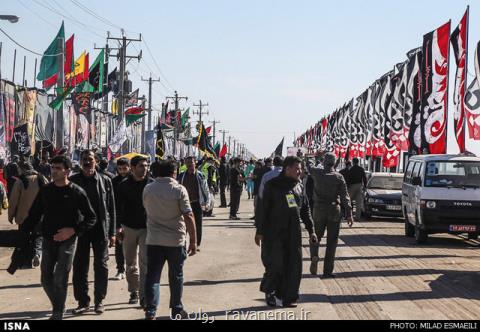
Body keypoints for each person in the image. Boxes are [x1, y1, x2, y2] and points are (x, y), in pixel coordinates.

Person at [21, 155, 97, 320]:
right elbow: (34, 214)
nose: (54, 171)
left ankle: (58, 311)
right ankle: (58, 304)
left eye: (58, 168)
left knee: (60, 276)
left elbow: (91, 217)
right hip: (49, 239)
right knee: (45, 278)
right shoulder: (46, 191)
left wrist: (73, 230)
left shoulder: (77, 192)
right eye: (52, 168)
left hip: (68, 241)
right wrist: (23, 232)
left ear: (67, 171)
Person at [255, 156, 317, 307]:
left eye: (300, 168)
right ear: (287, 168)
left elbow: (305, 210)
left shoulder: (299, 186)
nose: (300, 171)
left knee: (294, 265)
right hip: (274, 232)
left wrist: (311, 230)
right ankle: (270, 291)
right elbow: (263, 209)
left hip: (294, 232)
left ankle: (290, 297)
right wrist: (259, 231)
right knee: (275, 264)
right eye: (297, 168)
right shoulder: (272, 185)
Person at [143, 160, 197, 320]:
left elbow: (146, 208)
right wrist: (193, 240)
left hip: (154, 240)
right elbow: (188, 215)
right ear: (174, 172)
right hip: (175, 241)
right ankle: (177, 309)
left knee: (152, 276)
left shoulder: (148, 189)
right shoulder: (179, 190)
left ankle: (151, 310)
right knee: (176, 276)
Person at [70, 149, 116, 315]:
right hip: (81, 230)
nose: (87, 162)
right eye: (84, 159)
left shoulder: (105, 181)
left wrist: (112, 232)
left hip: (100, 229)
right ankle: (83, 302)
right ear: (80, 162)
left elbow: (111, 208)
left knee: (101, 266)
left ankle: (99, 301)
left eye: (90, 159)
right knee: (80, 267)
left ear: (96, 161)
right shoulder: (73, 180)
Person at [309, 153, 353, 278]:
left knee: (315, 236)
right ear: (334, 163)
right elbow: (345, 197)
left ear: (324, 162)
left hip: (318, 209)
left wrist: (308, 157)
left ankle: (314, 256)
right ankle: (327, 271)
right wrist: (349, 213)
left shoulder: (317, 173)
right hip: (334, 209)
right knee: (332, 242)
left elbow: (308, 165)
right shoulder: (339, 177)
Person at [116, 156, 153, 307]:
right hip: (128, 228)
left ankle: (144, 294)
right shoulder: (123, 185)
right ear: (132, 168)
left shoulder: (151, 185)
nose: (144, 169)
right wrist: (117, 227)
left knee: (145, 263)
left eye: (146, 166)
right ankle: (134, 291)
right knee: (131, 263)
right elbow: (117, 208)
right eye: (140, 166)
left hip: (146, 228)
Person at [8, 161, 48, 268]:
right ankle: (37, 254)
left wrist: (10, 215)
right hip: (40, 215)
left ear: (23, 169)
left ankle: (25, 261)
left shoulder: (20, 181)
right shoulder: (41, 178)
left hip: (23, 216)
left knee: (24, 237)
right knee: (38, 236)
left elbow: (13, 200)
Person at [177, 156, 210, 250]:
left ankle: (197, 244)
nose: (190, 164)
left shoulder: (200, 175)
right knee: (183, 224)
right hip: (185, 203)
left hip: (197, 203)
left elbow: (205, 189)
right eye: (188, 163)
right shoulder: (181, 175)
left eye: (191, 162)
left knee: (198, 224)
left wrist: (207, 202)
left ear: (195, 163)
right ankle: (183, 244)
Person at [112, 158, 130, 281]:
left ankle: (131, 269)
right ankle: (120, 269)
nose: (122, 171)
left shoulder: (134, 181)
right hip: (119, 218)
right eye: (120, 169)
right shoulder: (114, 181)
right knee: (119, 245)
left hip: (134, 220)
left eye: (125, 168)